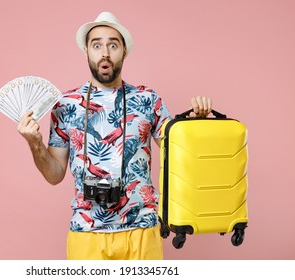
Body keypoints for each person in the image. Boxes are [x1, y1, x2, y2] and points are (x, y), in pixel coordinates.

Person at [17, 12, 212, 260]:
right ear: (86, 52)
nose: (105, 52)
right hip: (86, 232)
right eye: (96, 45)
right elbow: (55, 175)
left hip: (142, 228)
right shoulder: (65, 104)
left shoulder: (147, 100)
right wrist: (34, 143)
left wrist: (196, 124)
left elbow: (178, 155)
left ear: (124, 52)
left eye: (113, 44)